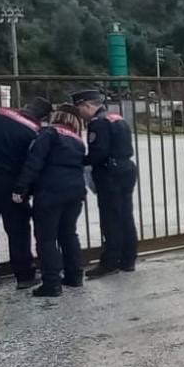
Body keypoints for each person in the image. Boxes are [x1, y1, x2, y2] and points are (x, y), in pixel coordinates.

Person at [0, 97, 52, 291]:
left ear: (25, 106)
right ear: (44, 117)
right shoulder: (35, 132)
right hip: (11, 184)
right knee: (18, 231)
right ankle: (24, 276)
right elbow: (32, 161)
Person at [13, 105, 88, 297]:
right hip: (75, 192)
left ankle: (52, 284)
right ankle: (75, 276)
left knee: (46, 238)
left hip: (51, 192)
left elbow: (34, 162)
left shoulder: (49, 133)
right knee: (68, 234)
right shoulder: (77, 139)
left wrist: (21, 188)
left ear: (57, 116)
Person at [72, 89, 138, 276]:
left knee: (111, 219)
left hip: (110, 174)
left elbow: (98, 154)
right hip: (126, 169)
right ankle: (128, 259)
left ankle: (110, 262)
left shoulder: (98, 123)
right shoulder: (117, 117)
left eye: (80, 109)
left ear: (87, 105)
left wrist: (80, 160)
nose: (80, 114)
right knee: (126, 216)